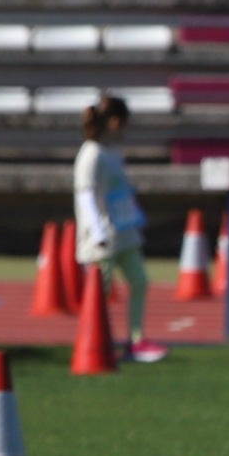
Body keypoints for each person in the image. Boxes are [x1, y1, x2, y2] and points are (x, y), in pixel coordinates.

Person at [73, 95, 166, 364]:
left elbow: (120, 190)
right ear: (114, 122)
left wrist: (135, 214)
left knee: (139, 281)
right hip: (101, 238)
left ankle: (136, 341)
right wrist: (97, 232)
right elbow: (86, 196)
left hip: (123, 232)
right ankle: (95, 342)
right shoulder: (91, 155)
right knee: (98, 294)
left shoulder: (113, 152)